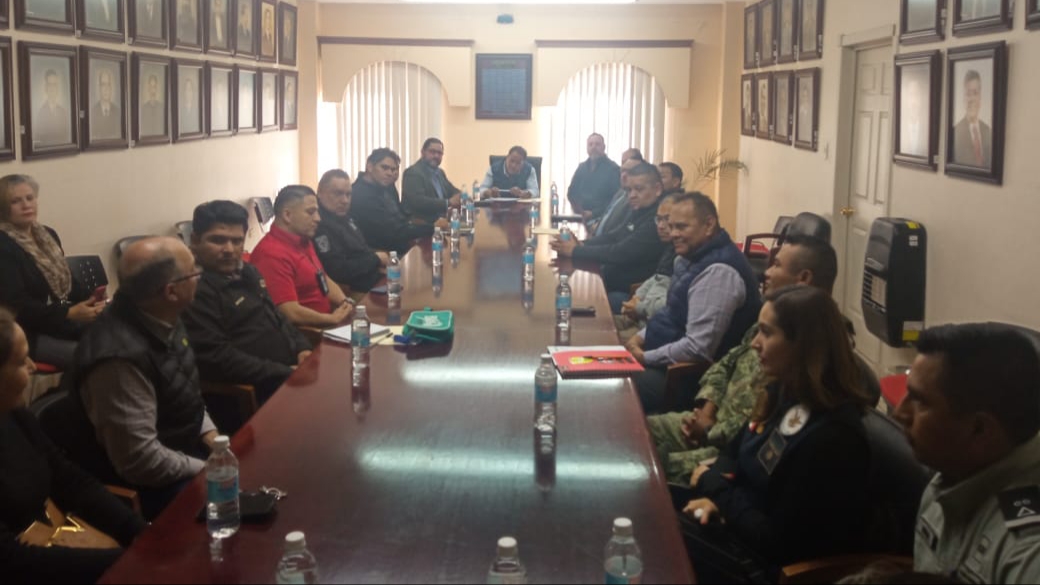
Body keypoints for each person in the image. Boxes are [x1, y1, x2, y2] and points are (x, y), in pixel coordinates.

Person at [680, 286, 875, 581]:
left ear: (803, 346)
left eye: (766, 333)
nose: (755, 343)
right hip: (737, 527)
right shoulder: (783, 392)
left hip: (769, 568)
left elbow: (778, 541)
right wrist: (719, 496)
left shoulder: (833, 438)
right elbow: (733, 452)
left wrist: (716, 491)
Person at [647, 234, 840, 485]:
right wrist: (707, 412)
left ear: (803, 278)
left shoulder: (810, 345)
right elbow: (726, 363)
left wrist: (709, 431)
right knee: (637, 430)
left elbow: (764, 422)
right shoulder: (772, 317)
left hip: (734, 450)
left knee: (647, 466)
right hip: (712, 424)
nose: (766, 272)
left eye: (776, 265)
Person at [70, 237, 220, 518]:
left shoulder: (162, 312)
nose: (200, 275)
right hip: (153, 486)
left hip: (185, 450)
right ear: (171, 291)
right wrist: (208, 468)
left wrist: (212, 437)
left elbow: (184, 388)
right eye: (194, 271)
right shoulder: (116, 360)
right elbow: (140, 461)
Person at [0, 308, 146, 583]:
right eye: (20, 361)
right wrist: (125, 560)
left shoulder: (14, 415)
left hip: (51, 546)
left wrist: (137, 530)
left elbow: (70, 480)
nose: (32, 366)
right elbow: (10, 561)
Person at [893, 323, 1040, 584]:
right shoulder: (952, 472)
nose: (900, 413)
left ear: (979, 429)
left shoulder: (1028, 553)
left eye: (920, 400)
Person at [626, 192, 761, 414]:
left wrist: (644, 357)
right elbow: (672, 314)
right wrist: (638, 338)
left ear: (708, 225)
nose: (673, 234)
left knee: (614, 383)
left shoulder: (718, 272)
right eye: (671, 226)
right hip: (661, 359)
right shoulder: (691, 258)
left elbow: (697, 348)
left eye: (681, 227)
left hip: (684, 379)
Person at [183, 201, 312, 406]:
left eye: (237, 241)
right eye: (218, 240)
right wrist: (285, 372)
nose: (229, 249)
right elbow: (217, 358)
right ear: (195, 241)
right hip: (256, 393)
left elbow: (277, 317)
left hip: (289, 375)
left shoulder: (248, 272)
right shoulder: (193, 289)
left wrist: (302, 348)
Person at [0, 175, 103, 368]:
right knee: (95, 358)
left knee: (117, 340)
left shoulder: (48, 234)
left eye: (30, 198)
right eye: (16, 201)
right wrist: (68, 313)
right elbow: (16, 306)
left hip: (60, 321)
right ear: (3, 208)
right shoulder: (3, 245)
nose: (26, 205)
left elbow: (68, 282)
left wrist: (93, 301)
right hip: (26, 333)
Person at [551, 162, 669, 299]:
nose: (632, 195)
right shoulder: (640, 210)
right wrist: (582, 244)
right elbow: (614, 236)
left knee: (575, 296)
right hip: (611, 279)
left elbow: (621, 252)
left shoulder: (658, 219)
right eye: (629, 190)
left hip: (630, 293)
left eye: (639, 189)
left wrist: (575, 251)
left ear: (657, 189)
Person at [250, 186, 355, 329]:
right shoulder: (270, 254)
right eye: (311, 212)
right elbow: (289, 312)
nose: (318, 218)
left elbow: (322, 278)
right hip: (308, 333)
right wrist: (331, 319)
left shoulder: (303, 239)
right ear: (287, 215)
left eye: (317, 212)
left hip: (328, 322)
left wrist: (345, 303)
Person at [352, 148, 446, 256]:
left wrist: (428, 224)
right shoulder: (361, 194)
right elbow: (393, 232)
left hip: (401, 245)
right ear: (369, 166)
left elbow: (401, 217)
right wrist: (433, 227)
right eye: (384, 167)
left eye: (393, 169)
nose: (390, 173)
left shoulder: (385, 186)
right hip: (384, 254)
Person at [613, 193, 678, 338]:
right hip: (642, 317)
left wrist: (639, 307)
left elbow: (672, 305)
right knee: (596, 324)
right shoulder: (671, 247)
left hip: (653, 328)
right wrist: (637, 298)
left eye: (667, 219)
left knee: (603, 337)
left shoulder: (686, 256)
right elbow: (656, 278)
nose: (660, 226)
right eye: (658, 219)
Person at [313, 169, 387, 294]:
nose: (345, 201)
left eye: (348, 195)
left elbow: (362, 249)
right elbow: (338, 271)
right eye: (338, 193)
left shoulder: (344, 216)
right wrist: (375, 259)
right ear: (320, 193)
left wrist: (378, 262)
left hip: (373, 277)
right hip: (353, 290)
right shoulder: (318, 224)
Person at [401, 138, 462, 224]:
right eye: (432, 152)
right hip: (420, 225)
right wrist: (448, 203)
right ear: (423, 152)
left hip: (440, 223)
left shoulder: (440, 173)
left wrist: (461, 196)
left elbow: (452, 190)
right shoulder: (413, 173)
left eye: (439, 153)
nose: (436, 156)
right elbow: (419, 202)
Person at [566, 133, 621, 224]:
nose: (593, 147)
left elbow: (615, 200)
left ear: (604, 147)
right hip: (579, 216)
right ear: (587, 148)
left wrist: (593, 213)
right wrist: (578, 210)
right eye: (590, 144)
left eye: (597, 144)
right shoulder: (581, 167)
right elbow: (571, 192)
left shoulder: (613, 169)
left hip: (601, 219)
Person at [589, 157, 641, 239]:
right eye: (622, 171)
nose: (624, 175)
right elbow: (607, 215)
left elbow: (617, 234)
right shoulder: (620, 192)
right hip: (596, 237)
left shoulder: (635, 200)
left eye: (630, 172)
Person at [953, 70, 992, 168]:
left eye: (975, 93)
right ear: (963, 98)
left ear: (980, 97)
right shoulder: (955, 133)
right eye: (968, 94)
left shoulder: (988, 131)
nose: (971, 99)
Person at [35, 70, 69, 146]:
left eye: (55, 84)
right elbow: (39, 139)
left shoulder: (63, 112)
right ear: (46, 88)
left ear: (57, 88)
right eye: (50, 84)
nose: (52, 88)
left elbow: (66, 137)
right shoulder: (41, 113)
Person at [91, 69, 121, 140]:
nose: (106, 89)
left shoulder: (118, 112)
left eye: (108, 85)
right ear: (99, 88)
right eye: (103, 85)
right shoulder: (93, 112)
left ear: (111, 88)